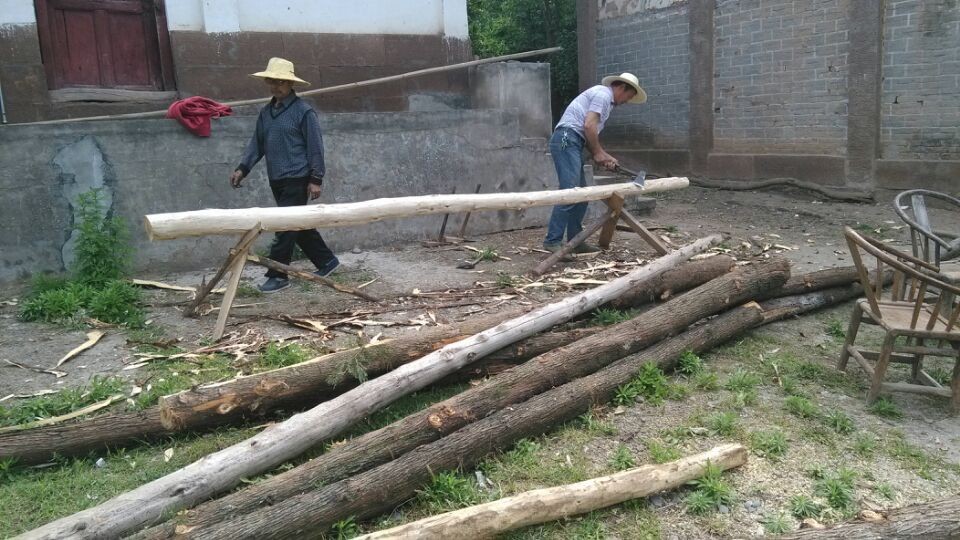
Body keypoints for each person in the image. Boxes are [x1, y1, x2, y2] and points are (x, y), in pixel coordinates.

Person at [230, 57, 340, 293]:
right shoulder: (266, 113)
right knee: (298, 224)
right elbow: (257, 144)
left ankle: (278, 275)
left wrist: (315, 179)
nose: (276, 86)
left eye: (282, 82)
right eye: (273, 81)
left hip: (298, 177)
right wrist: (243, 168)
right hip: (276, 178)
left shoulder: (304, 112)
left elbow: (315, 147)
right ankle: (327, 261)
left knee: (286, 227)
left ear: (291, 85)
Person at [543, 72, 647, 255]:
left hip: (573, 140)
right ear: (622, 88)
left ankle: (576, 241)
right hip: (566, 139)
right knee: (570, 190)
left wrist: (603, 156)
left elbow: (589, 134)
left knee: (582, 195)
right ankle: (552, 241)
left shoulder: (605, 102)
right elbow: (589, 126)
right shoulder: (603, 95)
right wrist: (599, 153)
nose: (626, 101)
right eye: (628, 97)